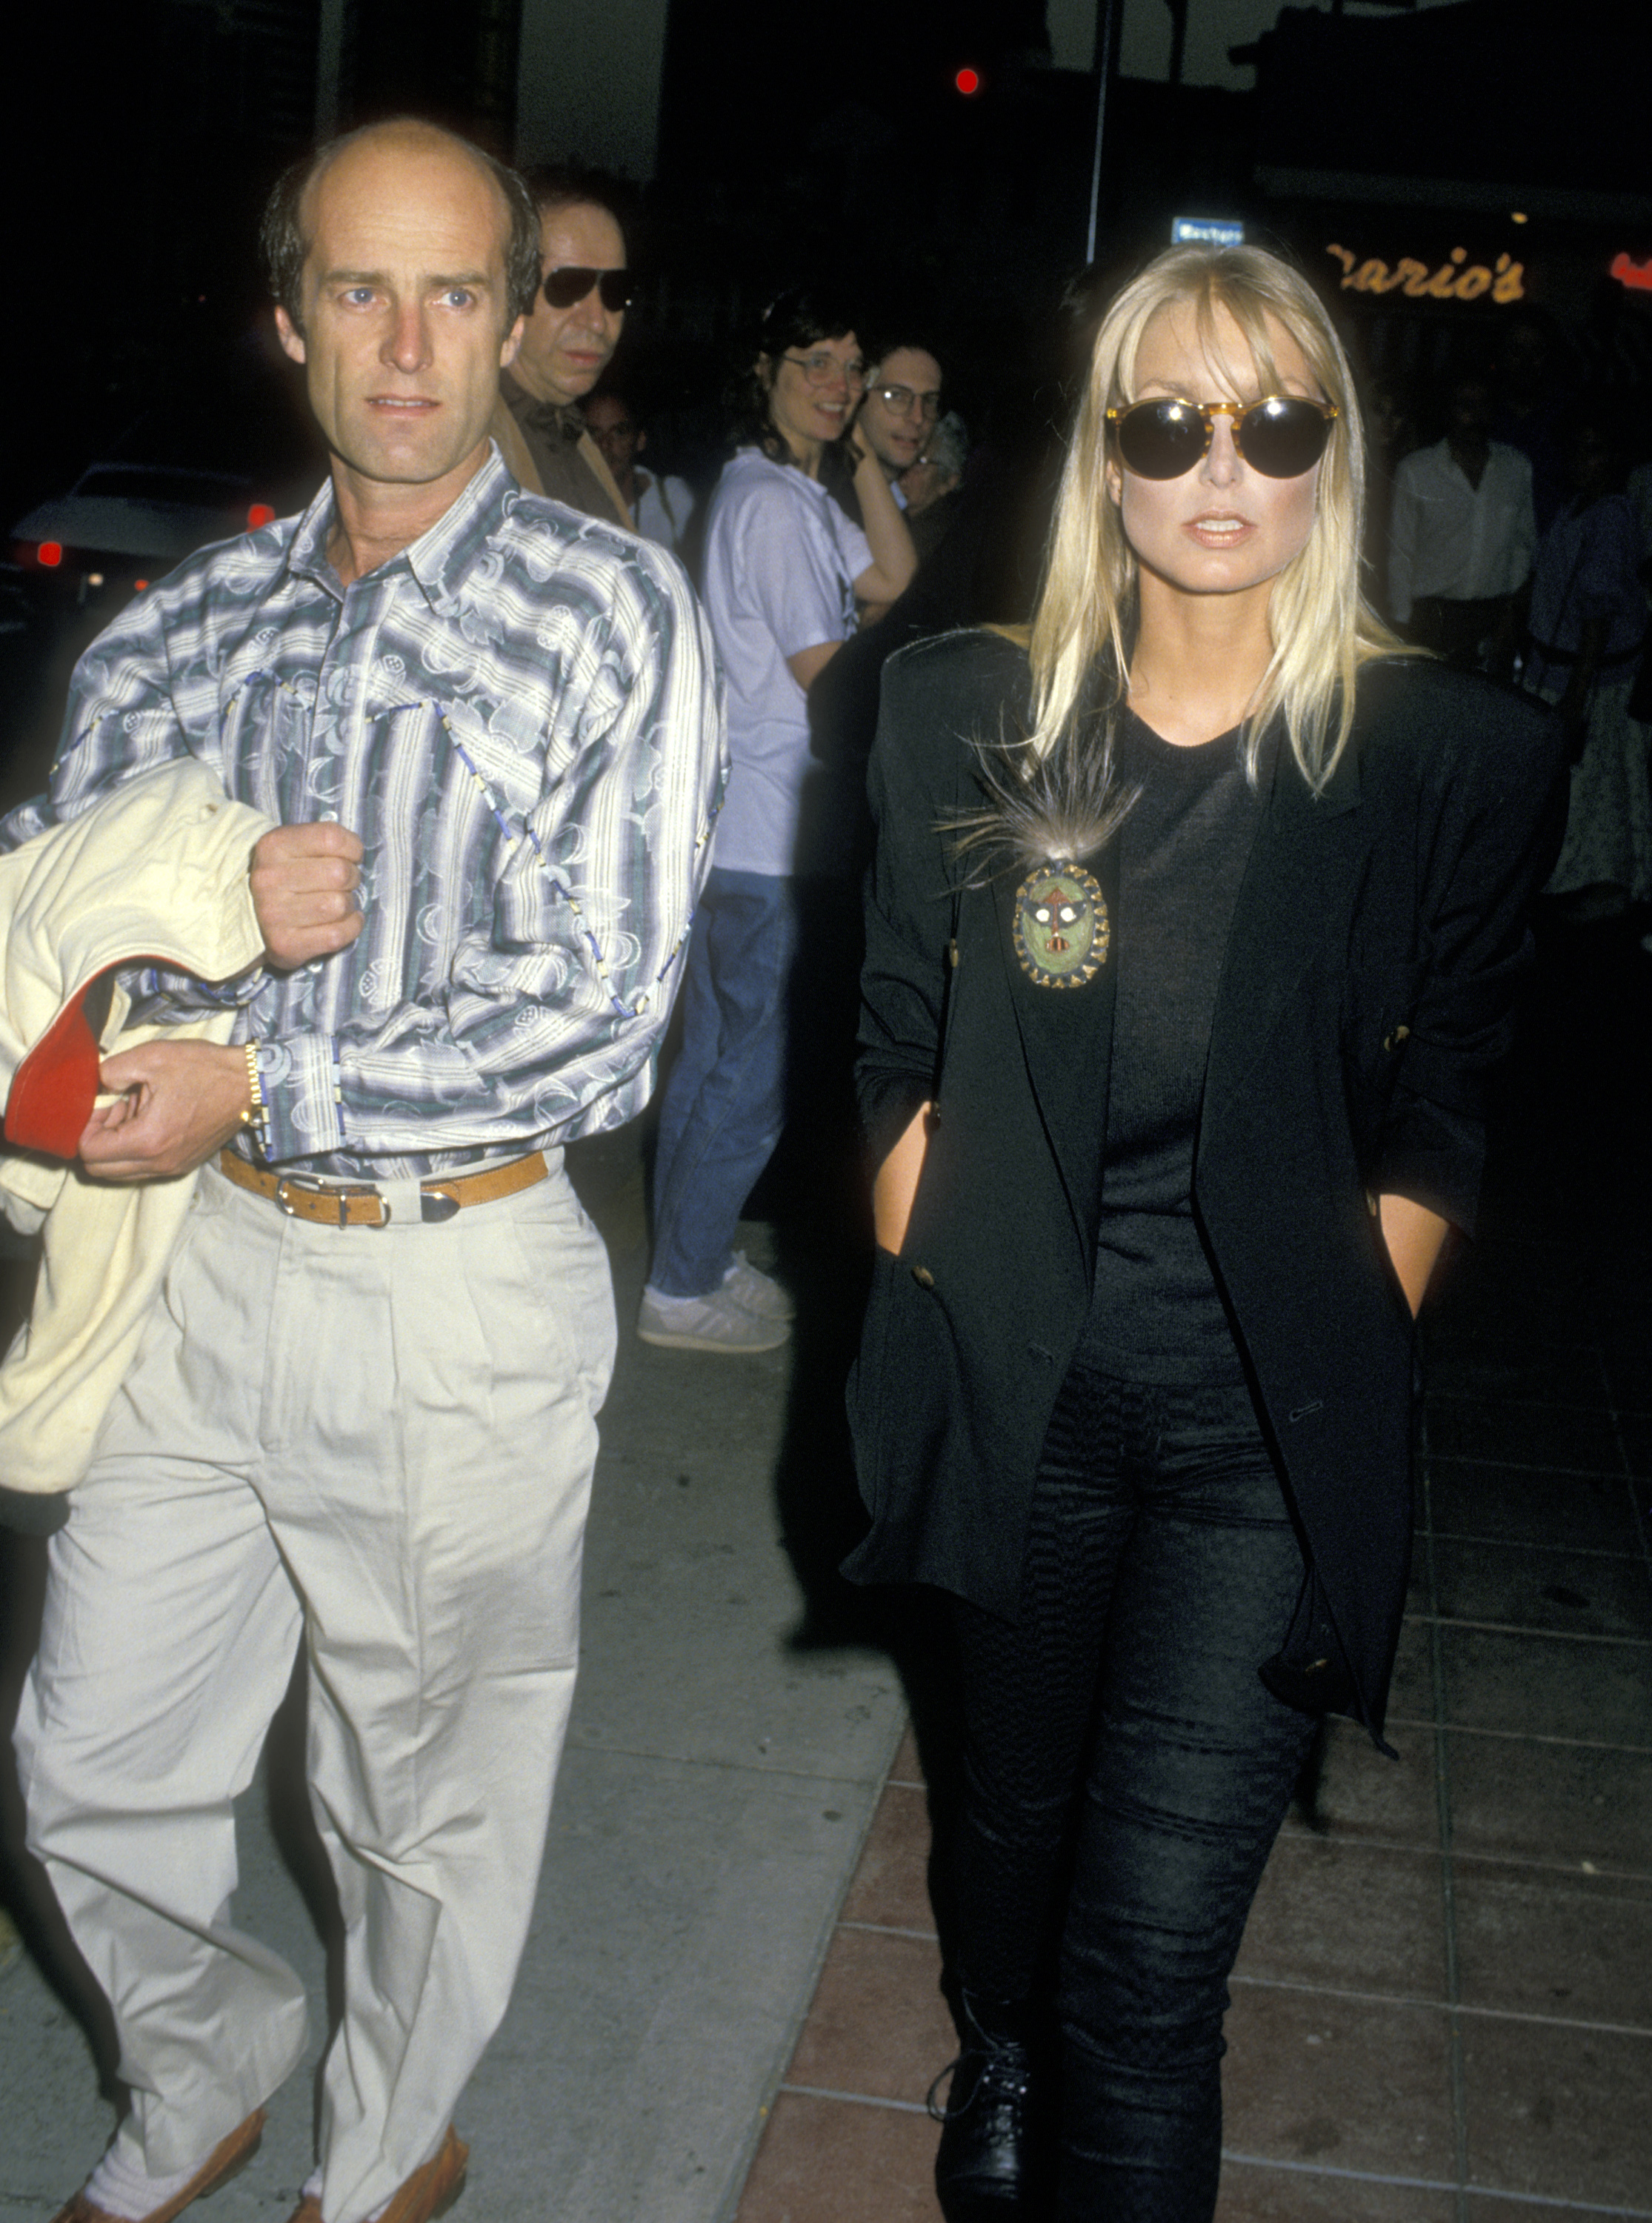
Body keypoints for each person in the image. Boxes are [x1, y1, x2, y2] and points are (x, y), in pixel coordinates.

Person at [11, 118, 722, 2223]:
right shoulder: (178, 629)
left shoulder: (607, 613)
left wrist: (259, 1072)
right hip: (188, 1276)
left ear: (513, 325)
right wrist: (149, 997)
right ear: (287, 317)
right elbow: (63, 931)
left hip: (450, 1283)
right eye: (355, 288)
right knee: (85, 1767)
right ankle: (201, 2065)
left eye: (450, 293)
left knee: (421, 1798)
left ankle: (387, 2143)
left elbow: (595, 1012)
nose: (404, 345)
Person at [845, 243, 1565, 2221]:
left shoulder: (1447, 759)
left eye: (1274, 419)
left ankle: (1065, 2057)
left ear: (1335, 452)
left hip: (1262, 1428)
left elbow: (1444, 1098)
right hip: (1025, 1399)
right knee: (1006, 1822)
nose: (1218, 465)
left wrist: (1353, 1300)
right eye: (1165, 419)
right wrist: (963, 1294)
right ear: (1100, 453)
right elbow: (892, 1056)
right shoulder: (963, 717)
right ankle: (994, 2036)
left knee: (1150, 1974)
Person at [639, 286, 916, 1354]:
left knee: (718, 1060)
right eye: (816, 365)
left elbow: (891, 576)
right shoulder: (766, 505)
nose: (840, 386)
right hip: (768, 835)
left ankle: (691, 1257)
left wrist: (862, 469)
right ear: (764, 374)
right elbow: (828, 677)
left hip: (751, 834)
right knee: (745, 1076)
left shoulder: (794, 494)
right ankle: (678, 1284)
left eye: (853, 366)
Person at [1524, 405, 1651, 920]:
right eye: (1576, 450)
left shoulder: (1611, 518)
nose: (1583, 461)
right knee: (1578, 787)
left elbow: (1597, 615)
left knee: (1598, 788)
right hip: (1560, 670)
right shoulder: (1575, 507)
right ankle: (1573, 878)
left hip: (1593, 679)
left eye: (1594, 451)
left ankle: (1605, 887)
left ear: (1612, 458)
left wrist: (1578, 692)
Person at [491, 165, 633, 524]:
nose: (598, 320)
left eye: (616, 291)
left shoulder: (570, 433)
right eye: (568, 287)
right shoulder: (467, 449)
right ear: (511, 291)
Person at [1388, 370, 1535, 674]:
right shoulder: (1417, 471)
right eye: (1464, 405)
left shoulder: (1516, 469)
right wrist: (1402, 629)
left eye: (1483, 406)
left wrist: (1511, 613)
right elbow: (1400, 554)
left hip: (1493, 620)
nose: (1474, 416)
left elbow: (1523, 547)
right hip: (1431, 619)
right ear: (1447, 411)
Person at [582, 388, 696, 554]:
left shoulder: (672, 499)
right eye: (594, 433)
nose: (605, 445)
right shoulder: (568, 504)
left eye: (619, 433)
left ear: (640, 440)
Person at [898, 408, 969, 565]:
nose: (906, 470)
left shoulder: (937, 541)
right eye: (908, 456)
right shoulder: (900, 517)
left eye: (921, 463)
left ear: (948, 482)